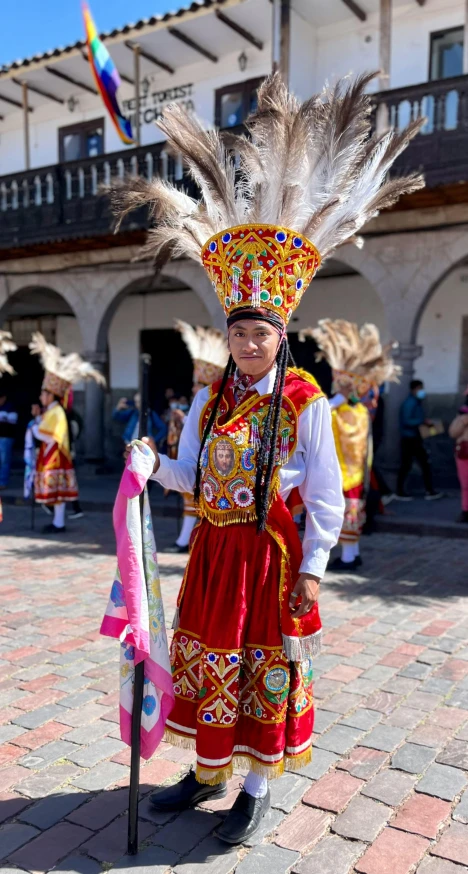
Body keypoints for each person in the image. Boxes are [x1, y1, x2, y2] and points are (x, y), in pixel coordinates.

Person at [111, 71, 422, 843]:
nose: (248, 344)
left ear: (281, 334)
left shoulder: (304, 400)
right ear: (229, 335)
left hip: (272, 558)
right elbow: (188, 474)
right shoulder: (214, 399)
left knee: (261, 667)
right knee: (207, 662)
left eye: (261, 333)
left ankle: (254, 786)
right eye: (238, 332)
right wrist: (152, 465)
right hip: (214, 553)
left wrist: (315, 564)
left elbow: (323, 494)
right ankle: (207, 769)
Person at [305, 320, 401, 572]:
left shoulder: (354, 411)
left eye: (341, 385)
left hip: (347, 472)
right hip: (344, 471)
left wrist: (335, 402)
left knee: (349, 509)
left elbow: (330, 422)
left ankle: (349, 557)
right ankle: (352, 555)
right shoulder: (346, 408)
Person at [28, 332, 106, 533]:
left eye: (43, 393)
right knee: (56, 493)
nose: (41, 396)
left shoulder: (57, 412)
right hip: (50, 455)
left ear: (51, 394)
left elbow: (52, 435)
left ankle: (59, 523)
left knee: (58, 493)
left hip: (55, 457)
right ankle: (57, 522)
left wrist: (35, 429)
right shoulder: (51, 411)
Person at [166, 320, 229, 554]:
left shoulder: (214, 404)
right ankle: (186, 539)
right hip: (196, 461)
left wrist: (183, 420)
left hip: (208, 463)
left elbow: (208, 430)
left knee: (194, 503)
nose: (193, 388)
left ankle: (186, 541)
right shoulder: (200, 402)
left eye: (197, 384)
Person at [396, 380, 442, 501]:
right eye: (420, 388)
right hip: (410, 438)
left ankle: (427, 490)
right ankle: (402, 491)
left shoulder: (416, 402)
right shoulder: (410, 403)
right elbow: (407, 420)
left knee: (418, 464)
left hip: (415, 438)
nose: (422, 391)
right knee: (412, 464)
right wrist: (422, 422)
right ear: (414, 389)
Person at [0, 332, 17, 518]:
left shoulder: (10, 407)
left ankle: (3, 481)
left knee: (4, 460)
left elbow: (11, 422)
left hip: (5, 436)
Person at [449, 388, 468, 523]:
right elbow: (453, 433)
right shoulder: (463, 415)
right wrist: (462, 421)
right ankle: (466, 510)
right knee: (466, 484)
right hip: (464, 453)